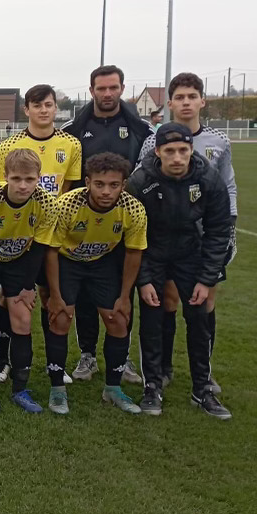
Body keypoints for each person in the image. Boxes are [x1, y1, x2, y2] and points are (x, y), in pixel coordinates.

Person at [136, 73, 238, 391]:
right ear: (170, 103)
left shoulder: (219, 140)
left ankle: (204, 373)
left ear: (201, 101)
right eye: (180, 97)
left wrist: (229, 226)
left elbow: (226, 186)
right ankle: (162, 368)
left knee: (203, 301)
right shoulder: (154, 141)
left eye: (192, 96)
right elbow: (144, 184)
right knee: (165, 300)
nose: (186, 102)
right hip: (163, 239)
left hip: (203, 237)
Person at [127, 123, 232, 419]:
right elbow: (134, 235)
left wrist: (206, 277)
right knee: (152, 317)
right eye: (170, 151)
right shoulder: (141, 181)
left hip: (191, 255)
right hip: (154, 254)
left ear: (191, 151)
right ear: (158, 151)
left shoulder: (208, 179)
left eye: (183, 150)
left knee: (199, 318)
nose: (177, 157)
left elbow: (218, 230)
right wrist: (144, 279)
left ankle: (202, 390)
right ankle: (152, 387)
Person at [62, 65, 151, 385]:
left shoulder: (140, 127)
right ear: (92, 91)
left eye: (113, 87)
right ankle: (87, 354)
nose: (108, 93)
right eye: (101, 88)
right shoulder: (75, 128)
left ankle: (122, 357)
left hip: (125, 221)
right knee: (84, 292)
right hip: (84, 224)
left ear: (122, 89)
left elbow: (149, 169)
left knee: (121, 291)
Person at [44, 152, 147, 416]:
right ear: (87, 182)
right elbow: (51, 251)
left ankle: (112, 389)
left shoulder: (133, 209)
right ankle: (57, 389)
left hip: (101, 263)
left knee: (118, 320)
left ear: (123, 186)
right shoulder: (66, 205)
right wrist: (54, 295)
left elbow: (134, 253)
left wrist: (125, 296)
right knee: (60, 318)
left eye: (114, 185)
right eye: (99, 184)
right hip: (67, 262)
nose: (106, 191)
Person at [0, 84, 82, 385]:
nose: (44, 110)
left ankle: (55, 363)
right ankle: (3, 361)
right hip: (16, 236)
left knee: (49, 296)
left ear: (55, 107)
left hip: (51, 236)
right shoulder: (10, 146)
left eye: (48, 104)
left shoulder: (71, 144)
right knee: (9, 298)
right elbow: (3, 192)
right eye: (37, 104)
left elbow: (68, 188)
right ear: (27, 109)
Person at [0, 149, 59, 413]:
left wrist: (26, 287)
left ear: (38, 178)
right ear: (5, 176)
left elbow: (39, 249)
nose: (23, 185)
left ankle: (20, 389)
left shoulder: (47, 204)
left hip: (21, 262)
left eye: (30, 179)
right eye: (17, 178)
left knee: (21, 317)